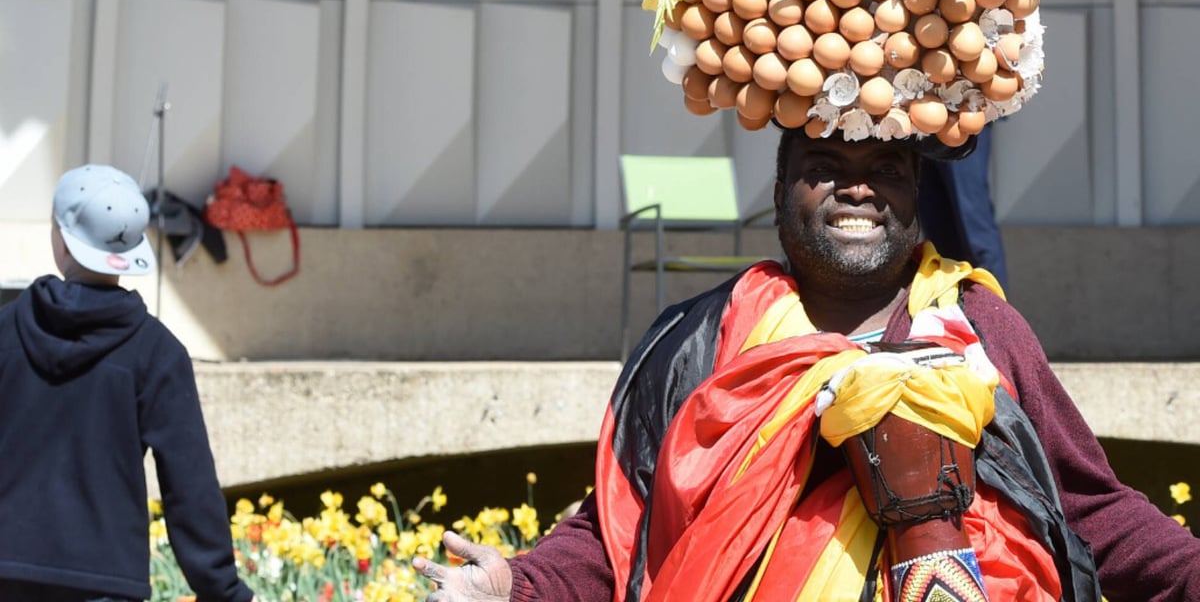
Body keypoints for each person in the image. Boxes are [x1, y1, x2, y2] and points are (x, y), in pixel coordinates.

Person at [414, 127, 1200, 602]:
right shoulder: (704, 338)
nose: (858, 187)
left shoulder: (982, 325)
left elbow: (1092, 509)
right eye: (825, 163)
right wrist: (517, 584)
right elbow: (617, 529)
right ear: (781, 187)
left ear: (916, 192)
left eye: (886, 166)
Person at [0, 164, 255, 602]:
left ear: (61, 239)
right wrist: (224, 591)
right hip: (106, 581)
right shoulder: (157, 353)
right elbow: (189, 485)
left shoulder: (6, 331)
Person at [919, 123, 1008, 287]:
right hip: (920, 127)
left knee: (974, 227)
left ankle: (993, 300)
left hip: (961, 120)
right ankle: (950, 297)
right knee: (937, 231)